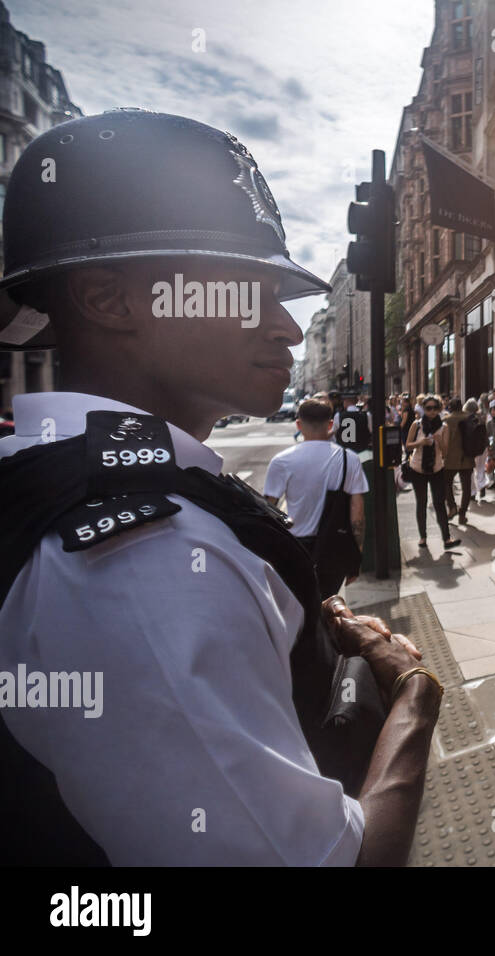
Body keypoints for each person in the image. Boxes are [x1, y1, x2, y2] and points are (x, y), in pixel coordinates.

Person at [0, 110, 439, 865]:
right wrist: (416, 697)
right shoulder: (146, 561)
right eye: (245, 290)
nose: (288, 329)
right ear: (109, 301)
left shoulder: (85, 471)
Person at [263, 398, 369, 597]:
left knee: (300, 609)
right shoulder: (349, 459)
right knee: (327, 605)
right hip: (334, 548)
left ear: (298, 425)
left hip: (296, 548)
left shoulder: (281, 461)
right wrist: (356, 555)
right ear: (330, 425)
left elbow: (268, 511)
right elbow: (357, 514)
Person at [405, 397, 459, 551]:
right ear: (423, 408)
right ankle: (423, 537)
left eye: (435, 408)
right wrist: (420, 443)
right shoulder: (417, 425)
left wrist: (439, 440)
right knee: (421, 503)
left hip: (436, 468)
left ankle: (447, 538)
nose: (432, 411)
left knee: (439, 503)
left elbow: (445, 452)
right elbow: (408, 446)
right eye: (428, 408)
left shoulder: (444, 427)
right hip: (418, 469)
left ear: (440, 408)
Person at [440, 397, 476, 525]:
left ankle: (452, 507)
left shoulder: (446, 420)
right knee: (466, 487)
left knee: (446, 483)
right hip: (467, 457)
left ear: (450, 407)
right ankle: (462, 514)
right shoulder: (470, 417)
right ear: (461, 406)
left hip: (451, 458)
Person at [466, 397, 490, 501]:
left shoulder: (466, 418)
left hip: (471, 448)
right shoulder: (482, 417)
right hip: (482, 446)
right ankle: (482, 484)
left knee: (470, 470)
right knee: (480, 467)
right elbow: (485, 433)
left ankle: (472, 492)